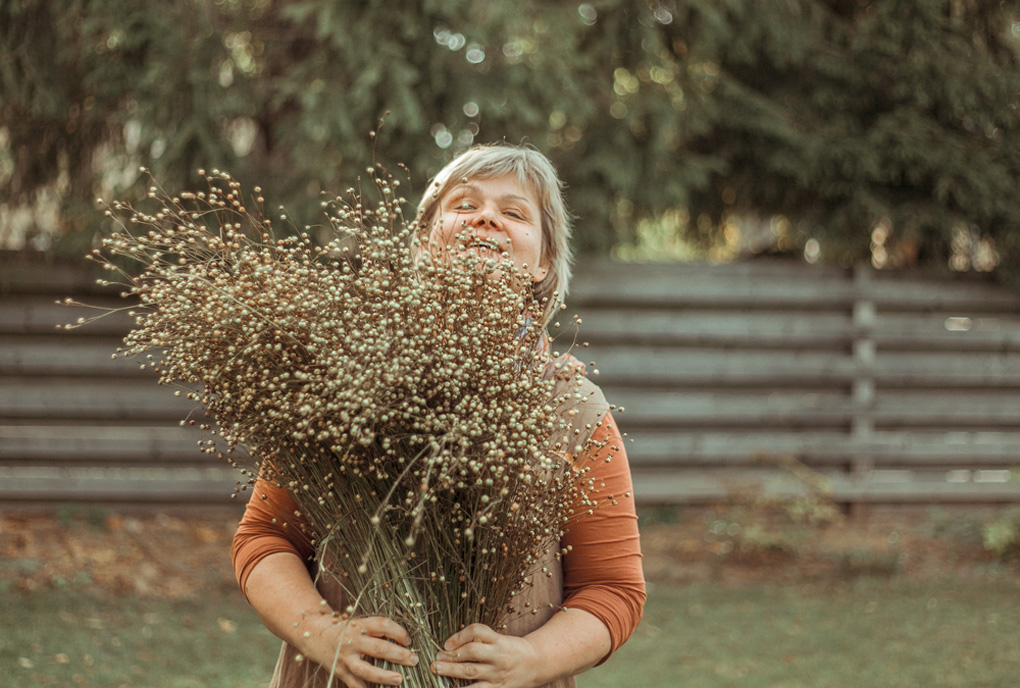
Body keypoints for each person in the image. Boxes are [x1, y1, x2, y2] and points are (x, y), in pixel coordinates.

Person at [232, 143, 645, 688]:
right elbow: (265, 539)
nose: (486, 217)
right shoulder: (342, 375)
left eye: (515, 212)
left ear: (543, 260)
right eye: (463, 203)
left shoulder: (574, 406)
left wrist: (534, 660)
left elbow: (614, 590)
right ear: (426, 242)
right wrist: (320, 632)